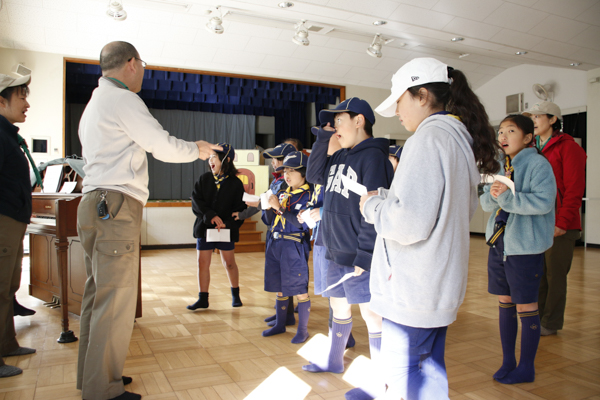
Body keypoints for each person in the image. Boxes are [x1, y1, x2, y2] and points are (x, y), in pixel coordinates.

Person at [76, 41, 221, 400]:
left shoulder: (95, 103)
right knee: (116, 300)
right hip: (115, 206)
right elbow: (160, 143)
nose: (143, 71)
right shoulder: (123, 99)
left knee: (98, 296)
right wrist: (197, 149)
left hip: (93, 203)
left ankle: (95, 376)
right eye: (142, 65)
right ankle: (102, 391)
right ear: (131, 64)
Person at [360, 57, 500, 399]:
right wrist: (392, 196)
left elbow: (409, 223)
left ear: (422, 95)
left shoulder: (428, 138)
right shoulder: (456, 139)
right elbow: (446, 208)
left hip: (413, 286)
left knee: (404, 376)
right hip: (436, 282)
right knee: (429, 370)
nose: (396, 111)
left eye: (400, 101)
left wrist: (373, 206)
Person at [304, 98, 394, 382]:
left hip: (359, 255)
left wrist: (366, 256)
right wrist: (322, 139)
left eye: (339, 120)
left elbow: (375, 211)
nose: (335, 127)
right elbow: (314, 174)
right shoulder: (341, 155)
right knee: (338, 308)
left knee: (371, 315)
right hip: (335, 251)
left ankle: (381, 377)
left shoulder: (374, 158)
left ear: (359, 121)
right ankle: (334, 362)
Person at [481, 114, 556, 384]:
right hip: (499, 243)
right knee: (504, 301)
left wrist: (509, 198)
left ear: (527, 138)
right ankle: (508, 361)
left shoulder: (538, 164)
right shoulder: (500, 165)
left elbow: (544, 203)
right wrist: (492, 196)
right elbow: (487, 204)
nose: (503, 136)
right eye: (500, 131)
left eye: (510, 131)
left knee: (526, 304)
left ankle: (526, 367)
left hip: (524, 247)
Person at [523, 101, 587, 336]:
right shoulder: (532, 148)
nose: (534, 121)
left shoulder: (568, 148)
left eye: (538, 116)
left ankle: (550, 323)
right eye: (531, 117)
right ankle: (536, 318)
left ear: (552, 119)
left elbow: (574, 189)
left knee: (555, 276)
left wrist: (561, 222)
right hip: (537, 223)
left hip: (561, 225)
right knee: (538, 275)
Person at [234, 142, 298, 326]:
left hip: (284, 233)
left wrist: (253, 202)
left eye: (276, 159)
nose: (272, 163)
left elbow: (270, 202)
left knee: (285, 276)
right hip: (274, 231)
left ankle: (285, 316)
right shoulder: (277, 180)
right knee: (279, 276)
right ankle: (283, 314)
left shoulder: (287, 182)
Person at [0, 73, 37, 378]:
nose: (27, 103)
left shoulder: (8, 135)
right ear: (1, 101)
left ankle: (7, 345)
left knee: (7, 288)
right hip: (3, 220)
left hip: (12, 220)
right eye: (21, 96)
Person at [261, 151, 313, 343]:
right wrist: (267, 207)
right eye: (285, 170)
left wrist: (279, 208)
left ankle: (303, 330)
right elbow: (269, 220)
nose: (286, 175)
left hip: (293, 245)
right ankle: (280, 324)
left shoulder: (308, 196)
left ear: (304, 173)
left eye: (292, 170)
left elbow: (301, 224)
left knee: (299, 289)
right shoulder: (283, 193)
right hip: (276, 243)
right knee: (280, 287)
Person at [187, 143, 247, 310]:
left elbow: (240, 209)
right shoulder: (204, 179)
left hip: (225, 231)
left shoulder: (235, 183)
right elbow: (196, 203)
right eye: (210, 157)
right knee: (202, 263)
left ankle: (235, 294)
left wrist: (226, 223)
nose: (210, 160)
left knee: (229, 263)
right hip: (205, 229)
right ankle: (203, 298)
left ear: (226, 160)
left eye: (214, 157)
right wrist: (210, 216)